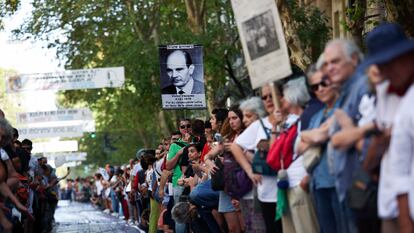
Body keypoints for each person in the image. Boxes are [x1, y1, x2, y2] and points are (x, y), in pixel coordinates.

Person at [364, 23, 414, 233]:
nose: (386, 71)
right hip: (392, 202)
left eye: (391, 62)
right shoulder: (384, 93)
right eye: (381, 65)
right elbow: (387, 164)